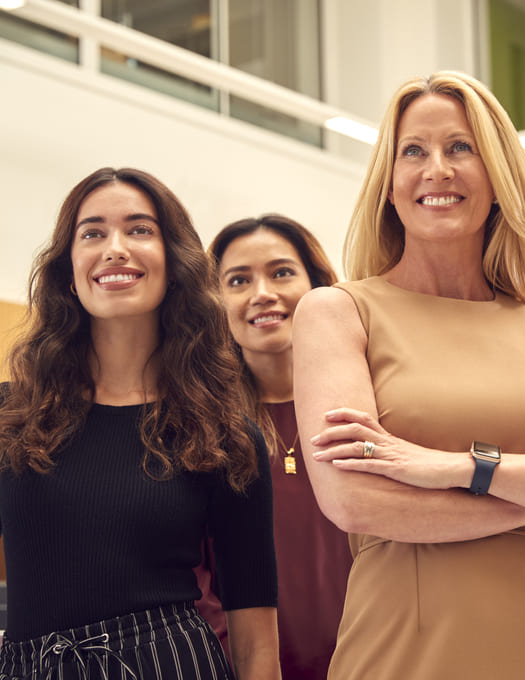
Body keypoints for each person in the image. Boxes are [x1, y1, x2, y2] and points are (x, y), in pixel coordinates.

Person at [291, 71, 525, 680]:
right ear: (389, 181)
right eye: (414, 151)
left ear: (498, 175)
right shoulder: (336, 312)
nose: (437, 169)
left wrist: (460, 468)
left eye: (461, 147)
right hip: (400, 651)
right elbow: (354, 500)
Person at [0, 167, 279, 680]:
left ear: (176, 262)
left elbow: (256, 636)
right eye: (93, 233)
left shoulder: (225, 432)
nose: (115, 248)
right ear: (68, 268)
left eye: (140, 229)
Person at [193, 214, 353, 680]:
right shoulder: (201, 431)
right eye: (238, 280)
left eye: (281, 272)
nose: (262, 293)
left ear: (318, 288)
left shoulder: (365, 410)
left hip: (376, 660)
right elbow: (193, 583)